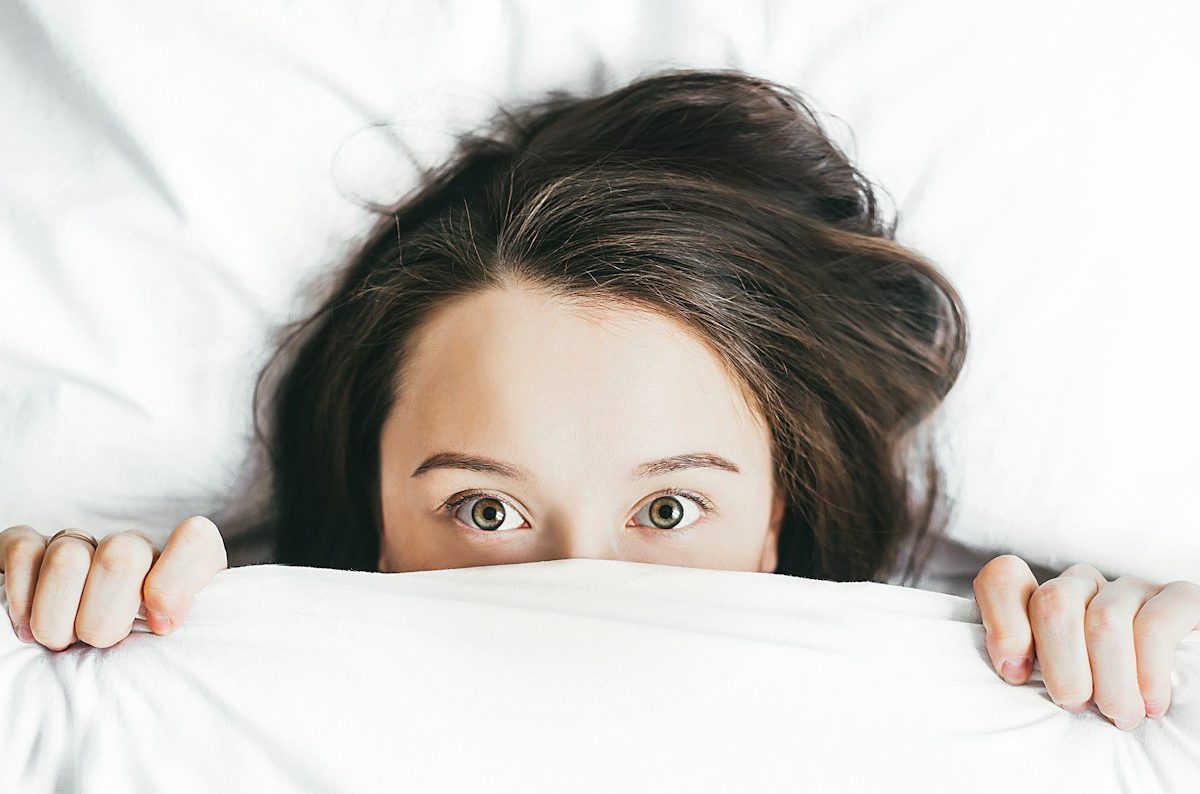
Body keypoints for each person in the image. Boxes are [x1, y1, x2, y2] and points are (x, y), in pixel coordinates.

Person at [2, 69, 1196, 733]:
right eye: (483, 508)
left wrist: (1152, 663)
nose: (580, 584)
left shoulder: (981, 698)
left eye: (670, 510)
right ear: (371, 511)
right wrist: (52, 628)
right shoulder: (193, 695)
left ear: (782, 514)